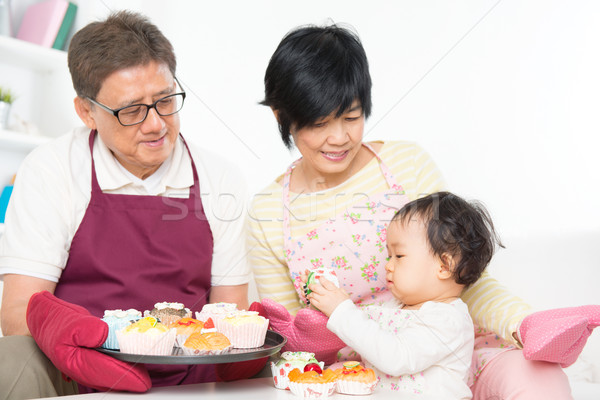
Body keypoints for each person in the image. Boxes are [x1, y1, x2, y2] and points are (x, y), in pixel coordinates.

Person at [248, 24, 599, 399]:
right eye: (319, 124)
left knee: (539, 380)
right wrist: (313, 336)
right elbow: (291, 351)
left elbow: (462, 273)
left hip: (450, 357)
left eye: (351, 117)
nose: (339, 137)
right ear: (281, 116)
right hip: (360, 378)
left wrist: (522, 324)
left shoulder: (406, 164)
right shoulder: (267, 211)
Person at [0, 11, 255, 399]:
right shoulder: (52, 168)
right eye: (132, 110)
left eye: (166, 100)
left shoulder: (220, 178)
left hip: (190, 377)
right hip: (75, 375)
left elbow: (229, 314)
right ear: (87, 112)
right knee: (11, 359)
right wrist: (76, 345)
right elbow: (17, 310)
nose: (155, 124)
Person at [307, 191, 500, 399]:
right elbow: (359, 335)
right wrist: (328, 303)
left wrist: (343, 311)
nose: (388, 265)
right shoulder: (392, 307)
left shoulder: (448, 319)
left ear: (444, 266)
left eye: (399, 256)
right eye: (389, 256)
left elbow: (395, 357)